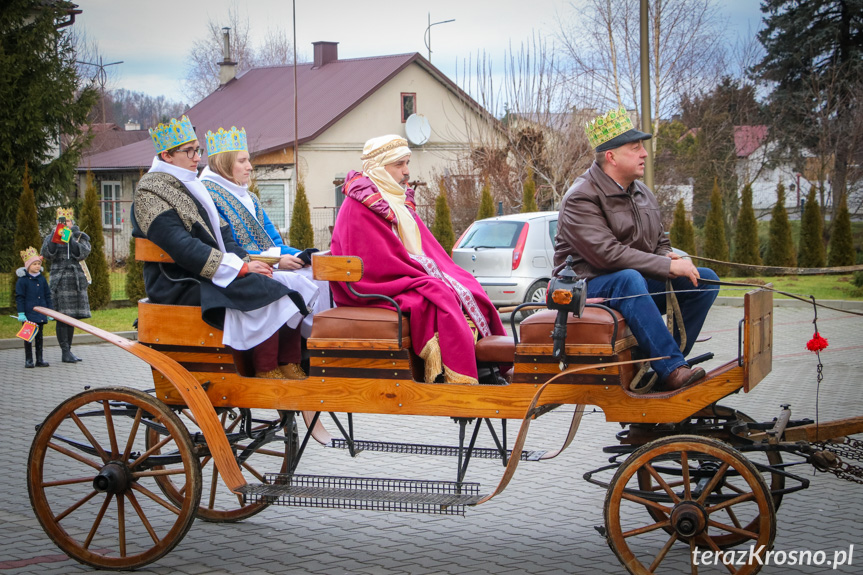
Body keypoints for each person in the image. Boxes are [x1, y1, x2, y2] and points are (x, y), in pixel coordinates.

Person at [131, 115, 309, 379]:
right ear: (167, 156)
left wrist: (246, 263)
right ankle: (266, 368)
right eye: (189, 151)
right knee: (268, 290)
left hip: (201, 273)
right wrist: (240, 269)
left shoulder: (188, 184)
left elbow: (224, 237)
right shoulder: (151, 191)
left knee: (284, 284)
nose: (196, 157)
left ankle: (288, 362)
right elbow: (182, 246)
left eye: (197, 150)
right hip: (179, 282)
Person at [554, 107, 719, 391]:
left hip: (631, 282)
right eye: (636, 147)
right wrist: (666, 266)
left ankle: (654, 361)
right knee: (628, 279)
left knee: (704, 281)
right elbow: (607, 255)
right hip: (583, 288)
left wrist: (669, 257)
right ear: (611, 156)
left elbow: (660, 243)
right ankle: (671, 368)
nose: (644, 154)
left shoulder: (643, 193)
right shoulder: (581, 197)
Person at [330, 135, 508, 384]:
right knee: (438, 293)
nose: (406, 172)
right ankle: (461, 372)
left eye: (407, 163)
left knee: (466, 283)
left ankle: (486, 364)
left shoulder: (394, 198)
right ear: (380, 167)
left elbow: (421, 248)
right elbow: (375, 262)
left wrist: (433, 269)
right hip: (372, 287)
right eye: (400, 165)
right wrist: (422, 271)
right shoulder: (359, 205)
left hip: (398, 276)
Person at [198, 126, 329, 338]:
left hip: (267, 265)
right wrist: (276, 262)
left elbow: (272, 240)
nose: (250, 167)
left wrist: (299, 256)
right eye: (242, 161)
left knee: (319, 276)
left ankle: (323, 344)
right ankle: (308, 347)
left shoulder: (248, 196)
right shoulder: (208, 195)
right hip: (241, 272)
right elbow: (227, 248)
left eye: (248, 160)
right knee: (298, 283)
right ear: (223, 163)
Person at [41, 207, 91, 363]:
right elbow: (47, 254)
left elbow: (82, 253)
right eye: (62, 222)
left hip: (75, 281)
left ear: (72, 222)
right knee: (62, 317)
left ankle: (68, 350)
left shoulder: (79, 236)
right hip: (60, 281)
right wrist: (55, 237)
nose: (65, 224)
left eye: (67, 221)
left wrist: (70, 238)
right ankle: (65, 351)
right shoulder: (51, 236)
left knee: (71, 317)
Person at [16, 247, 53, 368]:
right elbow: (20, 297)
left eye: (38, 264)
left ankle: (40, 359)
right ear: (28, 266)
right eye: (34, 264)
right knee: (28, 338)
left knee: (39, 337)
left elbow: (47, 295)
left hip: (41, 312)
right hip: (29, 313)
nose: (37, 266)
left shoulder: (42, 279)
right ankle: (29, 359)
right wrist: (21, 313)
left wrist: (50, 312)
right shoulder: (23, 280)